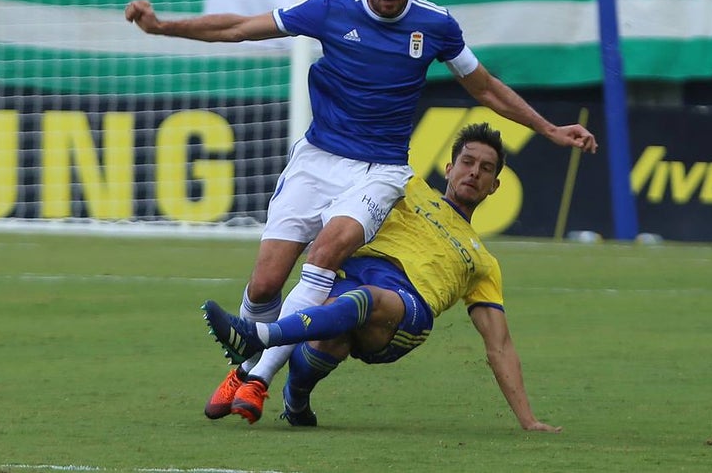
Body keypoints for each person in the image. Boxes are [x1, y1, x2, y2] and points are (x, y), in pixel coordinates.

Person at [124, 0, 597, 424]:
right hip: (318, 158)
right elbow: (240, 27)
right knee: (264, 286)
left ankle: (257, 379)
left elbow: (485, 88)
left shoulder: (436, 25)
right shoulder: (331, 11)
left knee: (327, 252)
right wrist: (162, 27)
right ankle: (245, 368)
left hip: (380, 170)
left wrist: (548, 129)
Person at [201, 122, 562, 432]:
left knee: (359, 302)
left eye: (486, 168)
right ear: (449, 167)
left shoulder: (483, 261)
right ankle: (296, 402)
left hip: (405, 310)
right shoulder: (406, 185)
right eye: (467, 162)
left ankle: (259, 338)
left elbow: (499, 344)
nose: (474, 172)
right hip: (353, 278)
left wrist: (528, 420)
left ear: (495, 186)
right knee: (329, 326)